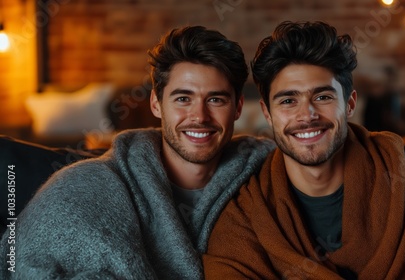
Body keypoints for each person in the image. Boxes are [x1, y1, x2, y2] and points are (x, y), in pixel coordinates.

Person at [203, 21, 405, 279]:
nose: (306, 115)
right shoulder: (245, 219)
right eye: (288, 101)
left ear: (350, 104)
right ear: (267, 113)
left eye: (322, 96)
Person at [0, 26, 275, 279]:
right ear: (156, 104)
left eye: (216, 99)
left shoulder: (263, 178)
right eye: (183, 99)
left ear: (238, 107)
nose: (199, 116)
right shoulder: (85, 185)